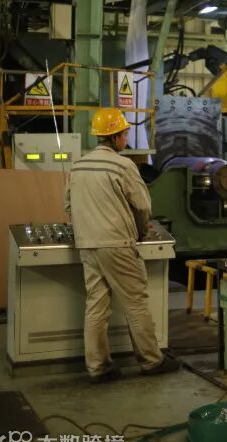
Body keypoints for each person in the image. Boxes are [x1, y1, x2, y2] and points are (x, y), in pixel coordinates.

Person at [65, 107, 179, 381]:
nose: (126, 139)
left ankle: (98, 367)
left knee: (96, 305)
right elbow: (142, 206)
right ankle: (151, 361)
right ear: (115, 137)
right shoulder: (123, 166)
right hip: (117, 243)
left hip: (87, 244)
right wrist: (139, 231)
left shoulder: (78, 165)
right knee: (135, 304)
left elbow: (68, 205)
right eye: (125, 134)